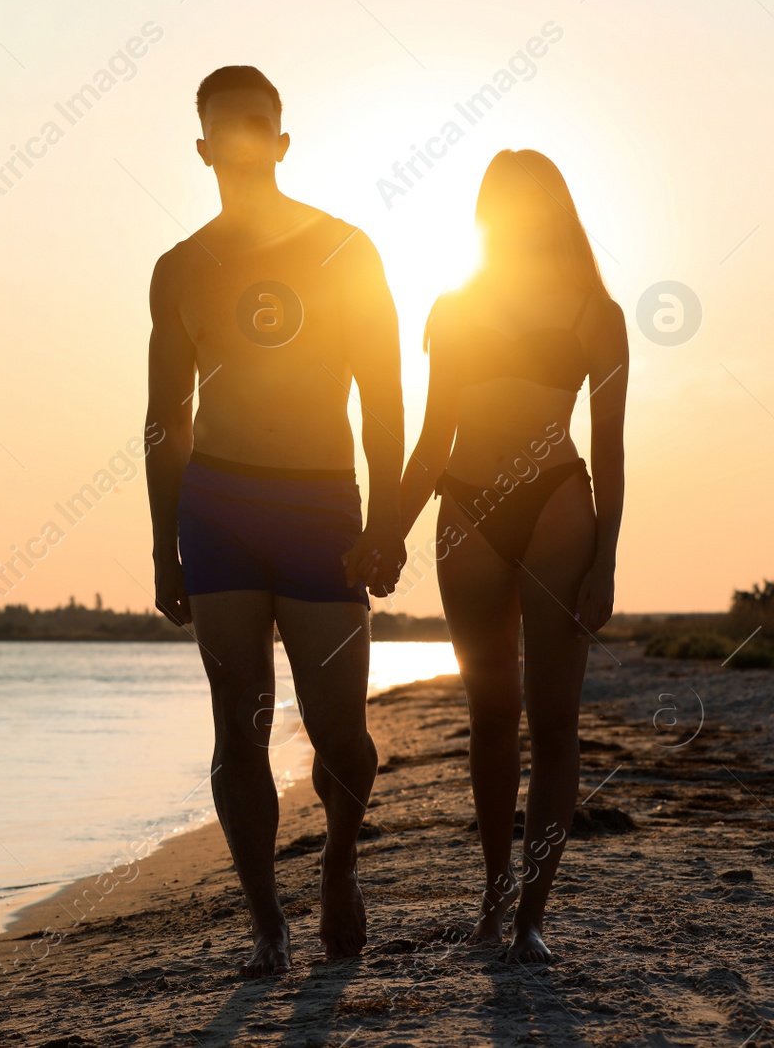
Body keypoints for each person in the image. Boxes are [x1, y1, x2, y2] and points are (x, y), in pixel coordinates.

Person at [144, 66, 407, 976]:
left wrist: (390, 519)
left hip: (320, 504)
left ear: (283, 142)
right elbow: (163, 421)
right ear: (206, 148)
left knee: (343, 734)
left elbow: (385, 399)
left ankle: (338, 861)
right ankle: (266, 921)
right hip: (216, 508)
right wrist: (162, 546)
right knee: (238, 726)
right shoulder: (179, 268)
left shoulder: (346, 249)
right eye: (230, 129)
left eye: (262, 126)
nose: (247, 142)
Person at [397, 149, 628, 963]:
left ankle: (533, 912)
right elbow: (431, 444)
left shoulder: (596, 312)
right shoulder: (455, 305)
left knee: (556, 724)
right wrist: (386, 527)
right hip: (466, 506)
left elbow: (611, 447)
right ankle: (493, 898)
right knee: (491, 716)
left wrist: (605, 560)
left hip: (559, 505)